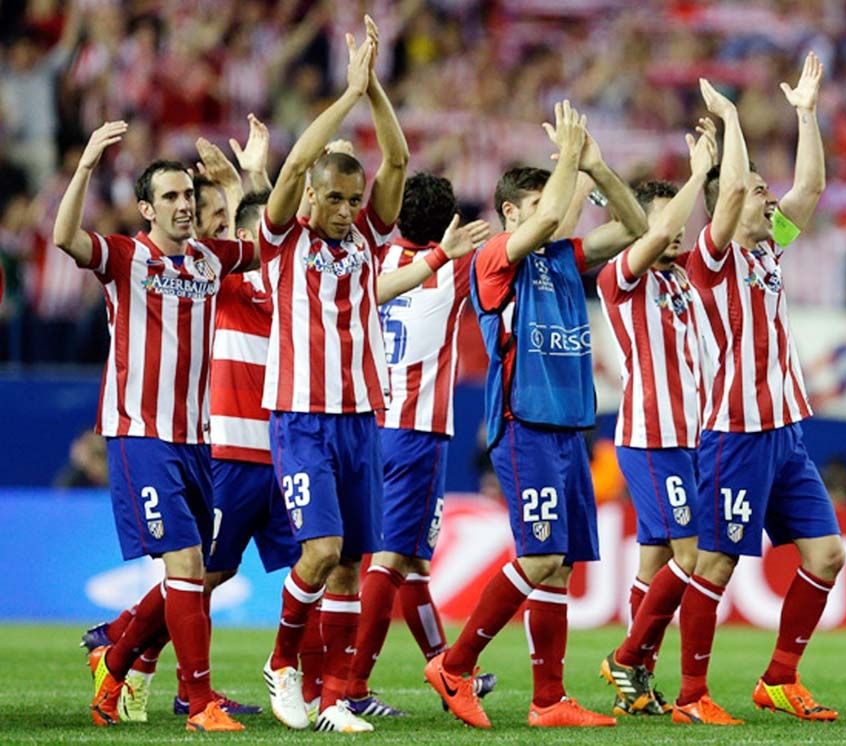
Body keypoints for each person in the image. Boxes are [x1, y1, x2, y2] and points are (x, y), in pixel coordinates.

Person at [425, 99, 647, 729]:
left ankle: (548, 700)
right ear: (511, 213)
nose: (552, 213)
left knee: (560, 565)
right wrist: (570, 159)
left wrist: (598, 170)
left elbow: (635, 229)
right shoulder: (497, 258)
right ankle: (456, 664)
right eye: (538, 205)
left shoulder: (562, 259)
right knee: (541, 557)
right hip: (523, 424)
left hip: (569, 427)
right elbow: (554, 210)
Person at [53, 121, 260, 732]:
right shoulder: (124, 256)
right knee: (188, 565)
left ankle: (113, 658)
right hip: (140, 433)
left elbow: (272, 239)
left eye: (188, 197)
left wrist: (245, 177)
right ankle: (200, 704)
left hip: (198, 438)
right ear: (147, 209)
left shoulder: (211, 259)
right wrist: (87, 163)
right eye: (170, 197)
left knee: (190, 576)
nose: (184, 206)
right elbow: (66, 237)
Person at [675, 52, 845, 725]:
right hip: (735, 434)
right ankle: (691, 696)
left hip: (785, 432)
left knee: (827, 555)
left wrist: (805, 115)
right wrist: (734, 117)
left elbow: (815, 187)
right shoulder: (712, 260)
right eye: (756, 193)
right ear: (728, 205)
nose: (769, 196)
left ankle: (778, 678)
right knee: (715, 566)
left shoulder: (768, 248)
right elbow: (738, 180)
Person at [258, 16, 408, 734]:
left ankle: (334, 697)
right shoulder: (281, 238)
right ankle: (282, 664)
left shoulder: (368, 238)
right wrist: (345, 97)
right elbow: (290, 168)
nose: (348, 211)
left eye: (355, 200)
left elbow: (400, 165)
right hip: (299, 417)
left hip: (359, 418)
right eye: (336, 199)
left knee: (350, 564)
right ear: (312, 197)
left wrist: (375, 92)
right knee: (318, 551)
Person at [343, 172, 492, 717]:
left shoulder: (371, 262)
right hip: (416, 431)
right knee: (389, 559)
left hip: (367, 424)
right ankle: (354, 688)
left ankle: (446, 662)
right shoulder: (451, 269)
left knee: (408, 561)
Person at [595, 115, 718, 717]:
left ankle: (633, 678)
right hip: (653, 438)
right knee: (690, 558)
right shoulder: (622, 278)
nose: (677, 233)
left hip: (690, 440)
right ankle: (629, 657)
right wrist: (695, 176)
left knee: (654, 562)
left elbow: (744, 233)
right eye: (663, 224)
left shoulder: (685, 278)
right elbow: (654, 232)